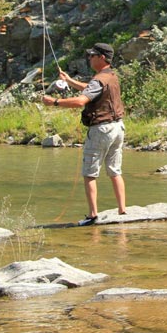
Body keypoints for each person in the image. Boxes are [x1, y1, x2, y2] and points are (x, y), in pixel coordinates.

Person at [41, 42, 127, 224]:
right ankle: (122, 211)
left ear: (101, 58)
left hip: (101, 130)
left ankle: (92, 215)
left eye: (92, 55)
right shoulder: (111, 76)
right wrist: (69, 81)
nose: (89, 58)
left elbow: (81, 101)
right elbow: (91, 89)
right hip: (118, 127)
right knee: (115, 171)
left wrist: (54, 102)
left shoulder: (99, 79)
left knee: (89, 174)